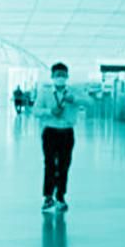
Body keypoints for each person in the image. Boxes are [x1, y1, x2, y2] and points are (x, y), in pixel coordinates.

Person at [39, 63, 89, 212]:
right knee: (49, 164)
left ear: (67, 76)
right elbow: (35, 110)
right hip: (50, 131)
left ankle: (60, 196)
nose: (60, 77)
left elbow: (90, 103)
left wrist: (74, 100)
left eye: (62, 74)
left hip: (67, 132)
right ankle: (48, 197)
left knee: (64, 165)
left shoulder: (74, 91)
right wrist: (50, 111)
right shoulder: (45, 92)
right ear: (52, 76)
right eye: (57, 74)